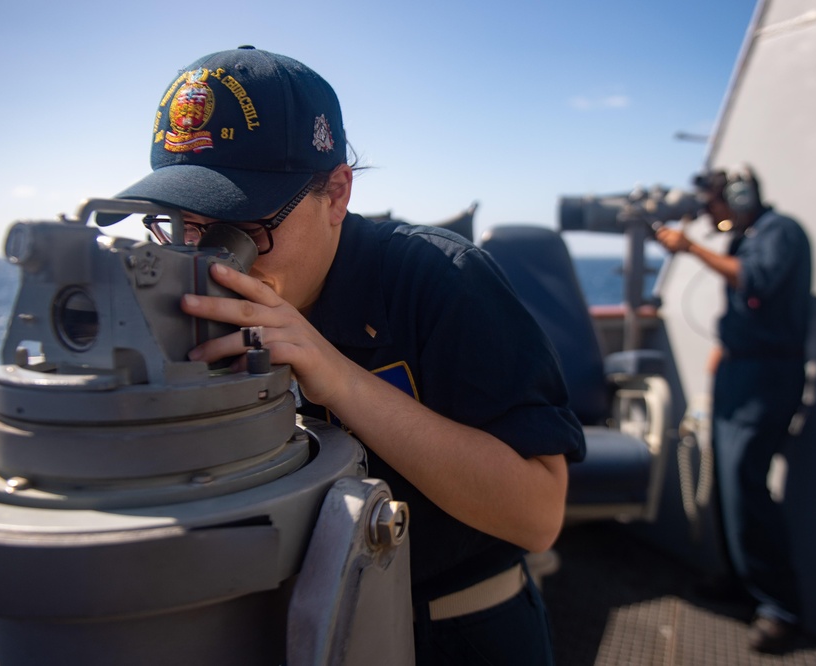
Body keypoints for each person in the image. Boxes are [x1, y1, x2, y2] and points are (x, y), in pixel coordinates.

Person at [107, 46, 584, 665]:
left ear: (336, 194)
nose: (208, 262)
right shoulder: (184, 296)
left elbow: (538, 514)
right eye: (181, 227)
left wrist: (340, 378)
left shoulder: (443, 279)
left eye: (243, 234)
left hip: (456, 631)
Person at [656, 167, 812, 652]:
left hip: (767, 377)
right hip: (738, 374)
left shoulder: (780, 233)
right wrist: (714, 377)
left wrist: (690, 249)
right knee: (725, 484)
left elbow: (756, 282)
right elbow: (739, 314)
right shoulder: (746, 238)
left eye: (715, 204)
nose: (711, 215)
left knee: (745, 482)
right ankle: (740, 581)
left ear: (741, 197)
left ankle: (780, 609)